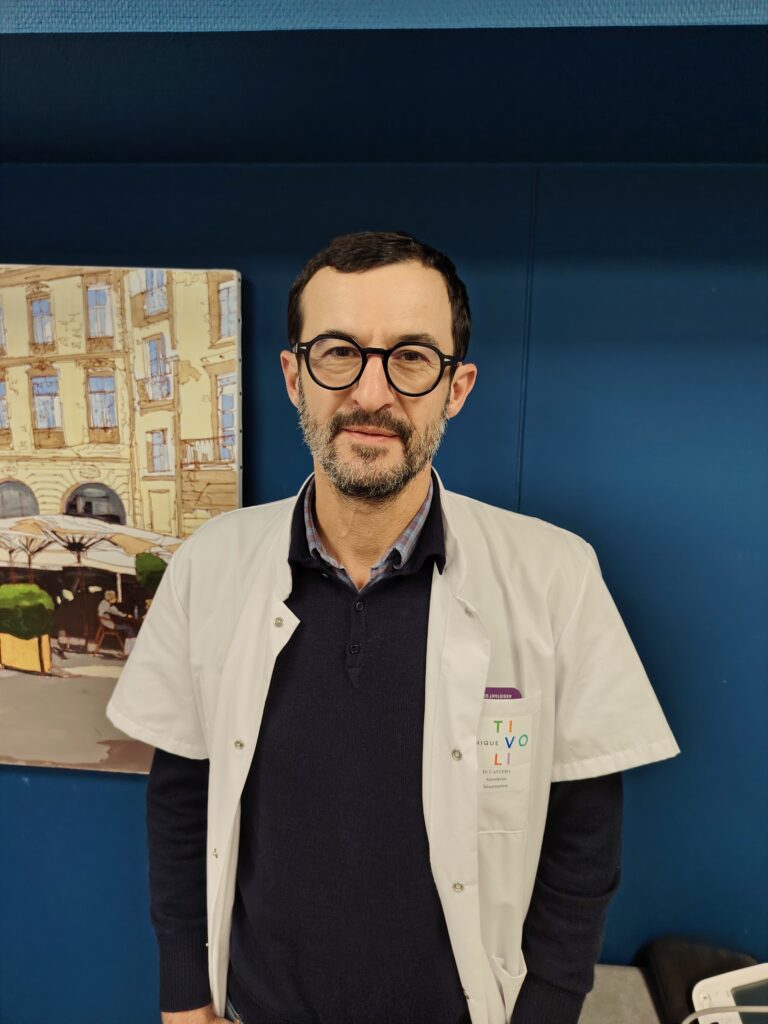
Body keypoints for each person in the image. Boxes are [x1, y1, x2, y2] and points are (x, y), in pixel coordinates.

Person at [107, 230, 680, 1024]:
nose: (371, 393)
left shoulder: (554, 574)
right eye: (339, 353)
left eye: (411, 357)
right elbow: (181, 794)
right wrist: (184, 995)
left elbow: (583, 838)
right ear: (294, 376)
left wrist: (547, 1011)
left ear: (456, 387)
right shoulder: (213, 563)